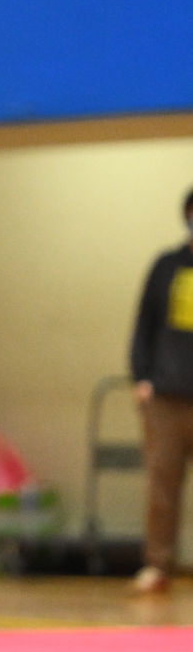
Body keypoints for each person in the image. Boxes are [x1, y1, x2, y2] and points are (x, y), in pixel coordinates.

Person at [128, 187, 193, 595]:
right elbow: (143, 325)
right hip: (166, 397)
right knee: (162, 486)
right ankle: (157, 564)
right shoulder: (166, 266)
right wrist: (141, 377)